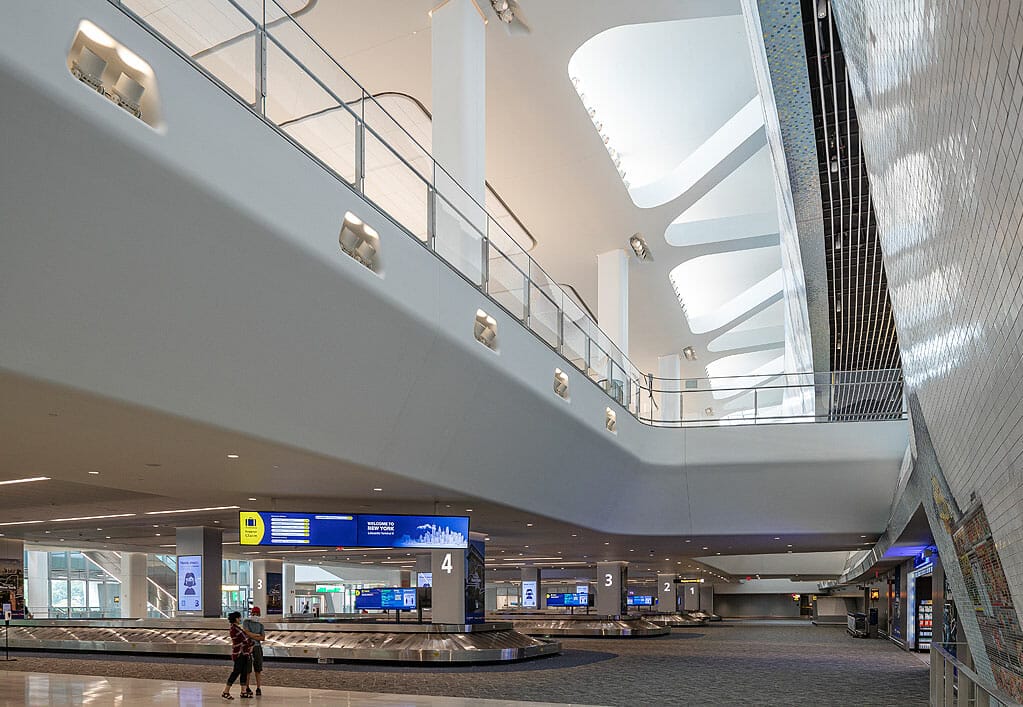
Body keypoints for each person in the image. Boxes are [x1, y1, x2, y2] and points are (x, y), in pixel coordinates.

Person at [222, 611, 256, 700]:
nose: (240, 619)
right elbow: (246, 639)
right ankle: (226, 691)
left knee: (244, 672)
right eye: (239, 617)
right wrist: (252, 643)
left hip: (243, 653)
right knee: (236, 672)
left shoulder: (235, 628)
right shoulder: (236, 629)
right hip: (239, 654)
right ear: (236, 618)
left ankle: (243, 691)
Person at [242, 607, 266, 696]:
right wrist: (257, 635)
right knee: (247, 669)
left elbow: (263, 638)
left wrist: (251, 635)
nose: (255, 615)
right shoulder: (246, 622)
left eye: (256, 614)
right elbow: (246, 633)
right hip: (248, 647)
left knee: (258, 668)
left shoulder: (261, 625)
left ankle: (258, 687)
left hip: (257, 648)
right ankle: (247, 687)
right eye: (253, 614)